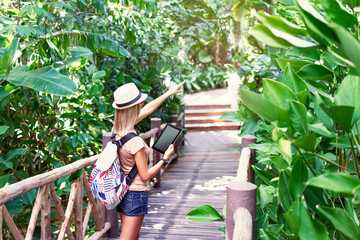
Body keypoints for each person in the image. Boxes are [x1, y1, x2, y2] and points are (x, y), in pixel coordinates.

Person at [111, 81, 184, 240]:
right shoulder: (135, 141)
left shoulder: (117, 130)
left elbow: (148, 109)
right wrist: (165, 158)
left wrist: (169, 93)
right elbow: (145, 176)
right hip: (135, 194)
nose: (142, 106)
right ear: (134, 108)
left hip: (123, 192)